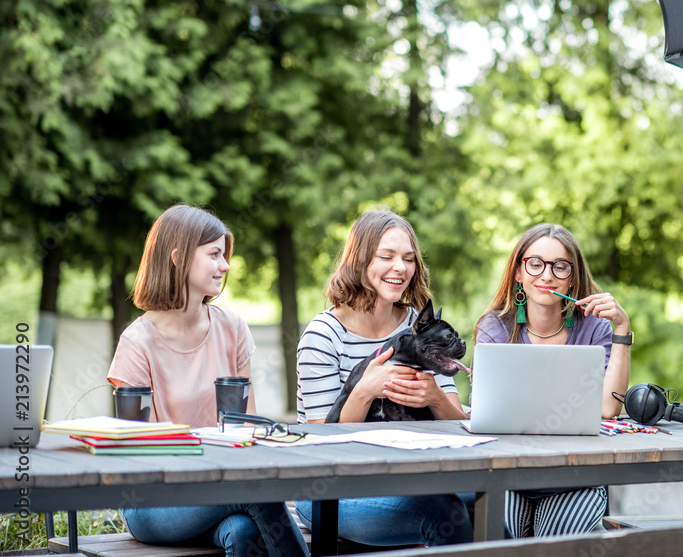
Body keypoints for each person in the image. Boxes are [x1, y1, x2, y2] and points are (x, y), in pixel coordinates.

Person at [107, 204, 309, 557]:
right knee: (257, 492)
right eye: (214, 254)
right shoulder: (136, 343)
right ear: (178, 257)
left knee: (243, 530)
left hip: (223, 486)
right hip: (153, 502)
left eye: (225, 255)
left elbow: (250, 430)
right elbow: (137, 458)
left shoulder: (232, 328)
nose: (226, 266)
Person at [295, 209, 473, 547]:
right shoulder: (323, 335)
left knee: (494, 501)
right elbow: (319, 436)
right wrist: (363, 392)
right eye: (386, 256)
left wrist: (434, 396)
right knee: (441, 511)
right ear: (360, 262)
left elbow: (458, 421)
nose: (400, 268)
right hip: (331, 487)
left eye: (408, 259)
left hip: (411, 474)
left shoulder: (418, 328)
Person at [474, 223, 632, 538]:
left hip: (574, 478)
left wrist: (622, 328)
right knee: (503, 537)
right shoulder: (494, 328)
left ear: (572, 278)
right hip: (508, 475)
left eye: (559, 267)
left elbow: (608, 407)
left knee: (555, 544)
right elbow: (486, 412)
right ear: (518, 272)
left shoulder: (595, 328)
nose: (546, 276)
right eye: (535, 264)